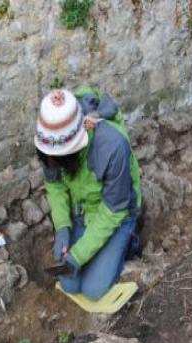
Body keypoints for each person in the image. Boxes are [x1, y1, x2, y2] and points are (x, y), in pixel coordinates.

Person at [34, 87, 142, 301]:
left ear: (74, 150)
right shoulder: (50, 140)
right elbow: (54, 186)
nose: (54, 165)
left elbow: (113, 210)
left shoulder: (112, 146)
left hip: (116, 213)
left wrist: (78, 255)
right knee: (70, 284)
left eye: (61, 163)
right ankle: (95, 249)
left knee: (93, 290)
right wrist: (63, 227)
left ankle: (129, 242)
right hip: (83, 212)